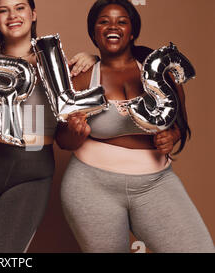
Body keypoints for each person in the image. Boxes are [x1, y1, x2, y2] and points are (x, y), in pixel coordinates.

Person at [57, 0, 215, 253]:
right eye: (104, 21)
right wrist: (75, 133)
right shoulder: (83, 77)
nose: (113, 26)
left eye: (122, 21)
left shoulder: (162, 75)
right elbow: (62, 140)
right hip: (91, 186)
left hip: (156, 183)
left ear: (132, 32)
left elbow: (181, 126)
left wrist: (171, 136)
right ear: (94, 32)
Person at [0, 0, 98, 253]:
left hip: (31, 171)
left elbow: (64, 139)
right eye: (3, 10)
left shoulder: (61, 67)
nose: (12, 15)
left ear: (33, 14)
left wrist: (94, 58)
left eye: (20, 7)